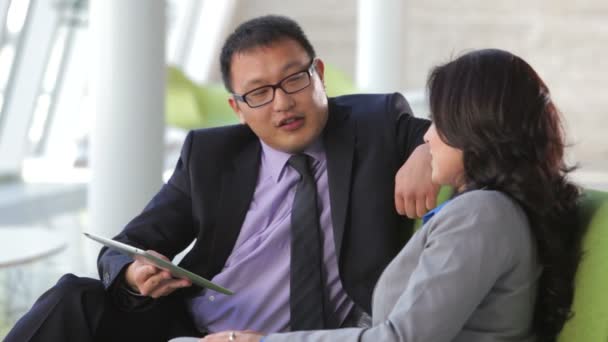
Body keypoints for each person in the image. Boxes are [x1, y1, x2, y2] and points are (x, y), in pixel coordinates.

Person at [6, 15, 436, 341]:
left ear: (318, 74)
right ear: (237, 109)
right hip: (190, 328)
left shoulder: (378, 124)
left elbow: (475, 126)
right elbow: (128, 246)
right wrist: (136, 273)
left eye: (294, 79)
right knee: (72, 297)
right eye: (258, 93)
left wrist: (425, 148)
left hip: (302, 338)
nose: (282, 103)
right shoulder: (208, 156)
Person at [203, 49, 585, 342]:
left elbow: (401, 338)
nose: (427, 136)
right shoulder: (483, 210)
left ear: (476, 131)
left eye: (440, 123)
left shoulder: (483, 215)